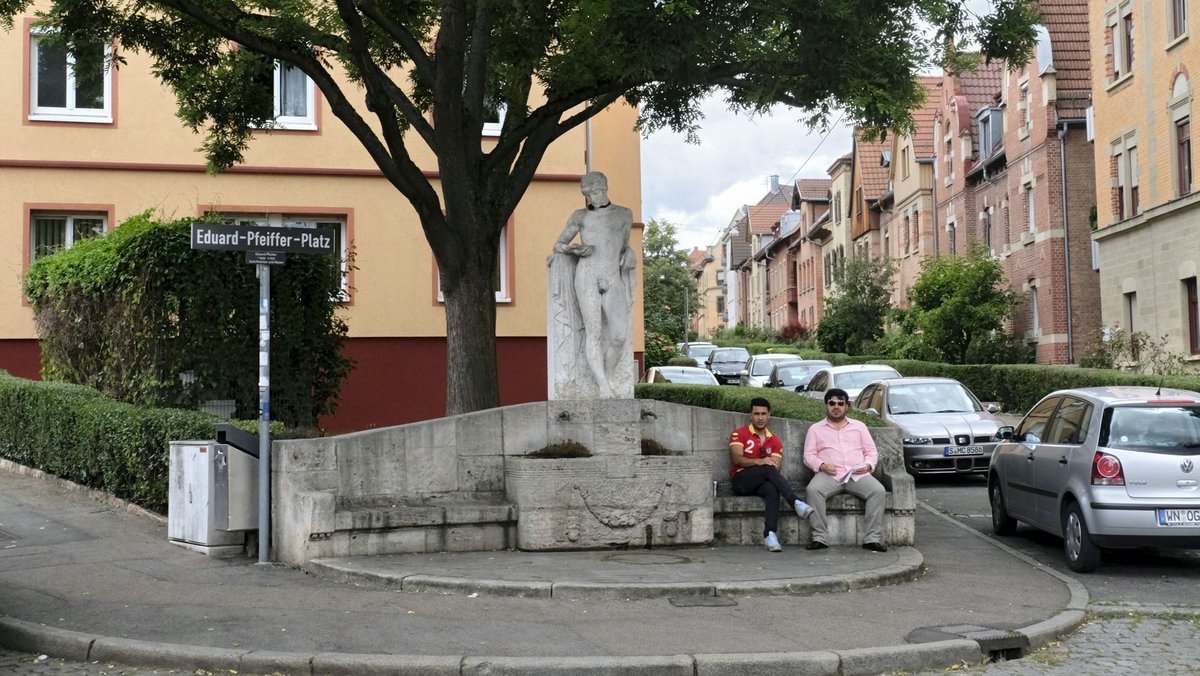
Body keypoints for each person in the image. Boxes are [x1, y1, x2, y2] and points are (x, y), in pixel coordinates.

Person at [549, 171, 636, 398]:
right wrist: (573, 248)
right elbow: (559, 245)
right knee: (593, 332)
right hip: (587, 275)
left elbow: (624, 245)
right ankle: (603, 386)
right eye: (587, 194)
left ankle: (606, 377)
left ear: (605, 188)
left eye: (595, 192)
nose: (592, 198)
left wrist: (629, 254)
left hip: (612, 277)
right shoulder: (580, 216)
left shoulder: (624, 215)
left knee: (619, 336)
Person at [802, 388, 888, 552]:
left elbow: (871, 451)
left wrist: (868, 465)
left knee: (878, 491)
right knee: (813, 490)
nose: (836, 407)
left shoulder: (859, 426)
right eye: (832, 403)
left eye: (840, 403)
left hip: (857, 474)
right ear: (826, 405)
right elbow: (808, 455)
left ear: (847, 406)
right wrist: (822, 466)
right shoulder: (815, 429)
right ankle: (819, 538)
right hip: (829, 475)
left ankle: (872, 539)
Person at [729, 397, 814, 552]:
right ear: (750, 415)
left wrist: (765, 463)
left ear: (769, 416)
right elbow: (737, 460)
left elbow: (775, 467)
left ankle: (770, 535)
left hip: (762, 482)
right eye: (756, 414)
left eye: (763, 414)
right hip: (741, 481)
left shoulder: (774, 441)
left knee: (772, 489)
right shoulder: (739, 433)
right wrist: (759, 462)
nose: (760, 418)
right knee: (767, 467)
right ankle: (795, 501)